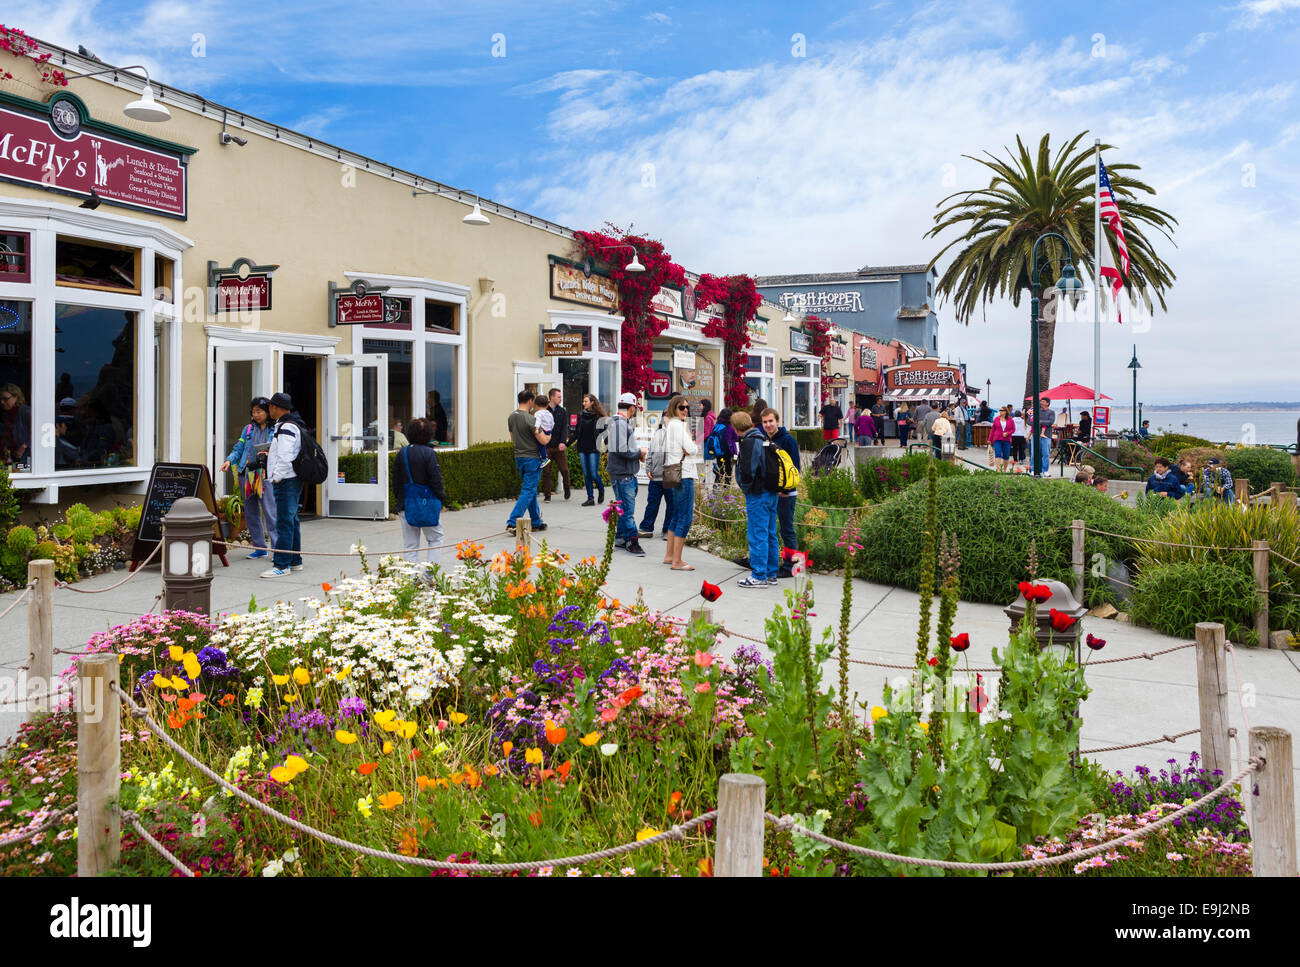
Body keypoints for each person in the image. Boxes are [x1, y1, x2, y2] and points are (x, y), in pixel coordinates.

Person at [220, 396, 278, 559]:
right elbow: (239, 448)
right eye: (253, 412)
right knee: (251, 512)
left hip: (265, 475)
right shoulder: (248, 429)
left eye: (259, 411)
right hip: (247, 474)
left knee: (270, 513)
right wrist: (228, 460)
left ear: (267, 412)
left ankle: (278, 550)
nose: (256, 415)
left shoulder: (275, 429)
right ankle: (260, 548)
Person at [733, 410, 778, 588]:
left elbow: (747, 472)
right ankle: (771, 573)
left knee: (757, 534)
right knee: (770, 533)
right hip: (771, 491)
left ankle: (759, 575)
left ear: (736, 428)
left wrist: (745, 489)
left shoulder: (749, 442)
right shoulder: (763, 438)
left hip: (757, 494)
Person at [393, 417, 447, 566]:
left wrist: (399, 499)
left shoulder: (402, 453)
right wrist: (441, 498)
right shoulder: (429, 453)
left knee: (410, 545)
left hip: (406, 503)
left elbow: (396, 481)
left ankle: (411, 577)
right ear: (429, 434)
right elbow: (436, 480)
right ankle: (429, 574)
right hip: (427, 503)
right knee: (435, 539)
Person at [261, 392, 303, 578]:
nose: (269, 410)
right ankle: (295, 560)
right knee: (291, 520)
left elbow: (286, 457)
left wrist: (276, 477)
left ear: (275, 408)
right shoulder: (291, 424)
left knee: (284, 521)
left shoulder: (286, 427)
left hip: (286, 480)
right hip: (291, 479)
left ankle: (282, 564)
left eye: (270, 406)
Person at [762, 407, 801, 578]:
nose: (768, 425)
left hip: (786, 494)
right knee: (769, 529)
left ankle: (790, 566)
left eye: (771, 421)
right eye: (765, 422)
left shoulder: (788, 440)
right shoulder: (764, 439)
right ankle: (766, 561)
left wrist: (786, 489)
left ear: (777, 421)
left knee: (786, 530)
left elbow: (795, 468)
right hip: (771, 493)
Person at [607, 392, 647, 556]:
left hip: (622, 473)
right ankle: (632, 542)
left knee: (623, 509)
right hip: (623, 474)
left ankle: (621, 539)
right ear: (631, 408)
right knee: (627, 511)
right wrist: (639, 453)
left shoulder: (617, 423)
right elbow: (622, 449)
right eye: (634, 408)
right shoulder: (620, 424)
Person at [662, 395, 700, 569]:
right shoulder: (679, 425)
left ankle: (670, 555)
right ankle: (677, 561)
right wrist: (693, 445)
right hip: (684, 474)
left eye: (687, 407)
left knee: (676, 514)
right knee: (685, 517)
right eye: (681, 407)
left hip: (674, 473)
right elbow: (692, 449)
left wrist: (689, 446)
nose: (685, 410)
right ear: (674, 408)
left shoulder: (670, 425)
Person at [506, 390, 549, 537]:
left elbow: (513, 439)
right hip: (532, 458)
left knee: (531, 490)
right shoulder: (532, 420)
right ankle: (512, 522)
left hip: (519, 457)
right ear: (530, 401)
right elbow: (543, 440)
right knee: (528, 490)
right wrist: (549, 435)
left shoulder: (512, 417)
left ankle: (536, 521)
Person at [639, 417, 674, 542]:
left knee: (671, 505)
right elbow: (650, 453)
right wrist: (648, 468)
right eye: (666, 416)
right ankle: (646, 528)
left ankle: (667, 530)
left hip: (670, 477)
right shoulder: (657, 433)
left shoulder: (677, 433)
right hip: (655, 477)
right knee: (652, 504)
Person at [574, 393, 607, 506]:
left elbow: (604, 434)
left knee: (593, 473)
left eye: (586, 401)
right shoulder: (580, 415)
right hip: (582, 447)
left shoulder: (599, 417)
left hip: (594, 448)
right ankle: (590, 498)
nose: (583, 403)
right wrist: (566, 444)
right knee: (586, 474)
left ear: (592, 402)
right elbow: (576, 433)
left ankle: (601, 489)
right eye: (583, 401)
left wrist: (608, 448)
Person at [542, 387, 572, 502]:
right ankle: (547, 495)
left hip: (559, 446)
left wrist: (563, 442)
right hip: (546, 447)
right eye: (559, 397)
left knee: (564, 469)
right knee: (546, 471)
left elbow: (564, 428)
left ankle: (567, 488)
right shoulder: (544, 411)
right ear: (552, 397)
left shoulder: (562, 411)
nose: (561, 399)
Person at [0, 383, 30, 468]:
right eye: (0, 399)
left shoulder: (26, 412)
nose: (2, 402)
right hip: (12, 459)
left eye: (5, 399)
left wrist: (24, 446)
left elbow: (40, 432)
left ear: (16, 397)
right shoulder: (5, 414)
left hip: (28, 460)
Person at [711, 407, 739, 486]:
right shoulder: (730, 426)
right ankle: (726, 489)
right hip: (728, 452)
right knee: (728, 473)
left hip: (718, 452)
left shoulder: (717, 425)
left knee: (720, 471)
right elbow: (736, 438)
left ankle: (716, 487)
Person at [533, 392, 554, 472]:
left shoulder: (538, 413)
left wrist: (536, 430)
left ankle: (544, 458)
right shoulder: (549, 413)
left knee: (540, 444)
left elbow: (537, 422)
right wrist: (550, 430)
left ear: (536, 405)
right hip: (549, 431)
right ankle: (543, 456)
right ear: (547, 405)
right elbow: (553, 423)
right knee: (543, 445)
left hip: (543, 431)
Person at [989, 406, 1014, 471]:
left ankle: (1004, 470)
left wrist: (1007, 433)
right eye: (1000, 410)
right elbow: (993, 430)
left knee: (1006, 456)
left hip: (1007, 440)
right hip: (997, 439)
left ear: (1005, 412)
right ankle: (998, 470)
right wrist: (989, 439)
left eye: (1002, 410)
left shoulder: (1010, 420)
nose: (1000, 411)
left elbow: (1013, 429)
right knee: (998, 454)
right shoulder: (996, 419)